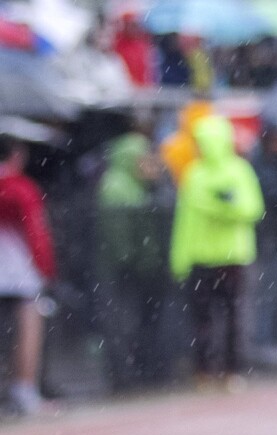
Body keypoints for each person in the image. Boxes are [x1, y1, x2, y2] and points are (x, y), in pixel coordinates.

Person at [172, 114, 264, 390]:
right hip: (202, 257)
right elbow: (185, 220)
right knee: (203, 320)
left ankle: (232, 371)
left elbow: (251, 209)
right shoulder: (194, 174)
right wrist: (180, 258)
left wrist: (221, 206)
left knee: (234, 317)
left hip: (233, 257)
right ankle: (205, 370)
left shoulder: (238, 171)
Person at [96, 129, 176, 391]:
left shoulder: (140, 184)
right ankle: (123, 375)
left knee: (140, 323)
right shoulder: (116, 184)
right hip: (123, 271)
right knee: (122, 324)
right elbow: (119, 233)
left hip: (141, 267)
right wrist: (130, 261)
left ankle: (140, 371)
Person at [0, 135, 54, 416]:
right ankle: (24, 390)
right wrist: (46, 267)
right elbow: (36, 232)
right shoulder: (20, 188)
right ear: (16, 156)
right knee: (28, 328)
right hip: (18, 271)